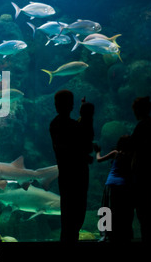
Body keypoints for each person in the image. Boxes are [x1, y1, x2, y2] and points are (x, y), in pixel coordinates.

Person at [49, 90, 91, 242]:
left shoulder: (55, 124)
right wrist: (86, 115)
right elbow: (86, 142)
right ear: (71, 105)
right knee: (76, 216)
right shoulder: (71, 126)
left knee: (68, 218)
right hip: (77, 175)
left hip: (66, 175)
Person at [130, 96, 151, 242]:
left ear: (139, 110)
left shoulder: (142, 125)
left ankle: (147, 237)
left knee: (143, 206)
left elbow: (133, 146)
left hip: (143, 169)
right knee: (149, 203)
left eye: (135, 109)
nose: (134, 112)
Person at [96, 135, 133, 242]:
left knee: (105, 209)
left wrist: (98, 151)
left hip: (111, 184)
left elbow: (99, 159)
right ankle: (121, 235)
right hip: (124, 186)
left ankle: (104, 235)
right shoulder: (132, 156)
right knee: (121, 211)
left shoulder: (116, 153)